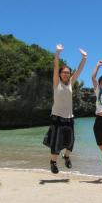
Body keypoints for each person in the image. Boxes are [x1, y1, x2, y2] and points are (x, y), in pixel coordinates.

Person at [43, 44, 87, 174]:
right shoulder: (57, 82)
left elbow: (79, 70)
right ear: (60, 74)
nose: (66, 74)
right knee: (56, 143)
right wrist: (57, 52)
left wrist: (84, 58)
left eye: (68, 72)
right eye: (64, 72)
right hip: (57, 117)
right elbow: (56, 66)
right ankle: (53, 163)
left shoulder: (70, 84)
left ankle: (66, 157)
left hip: (69, 118)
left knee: (71, 142)